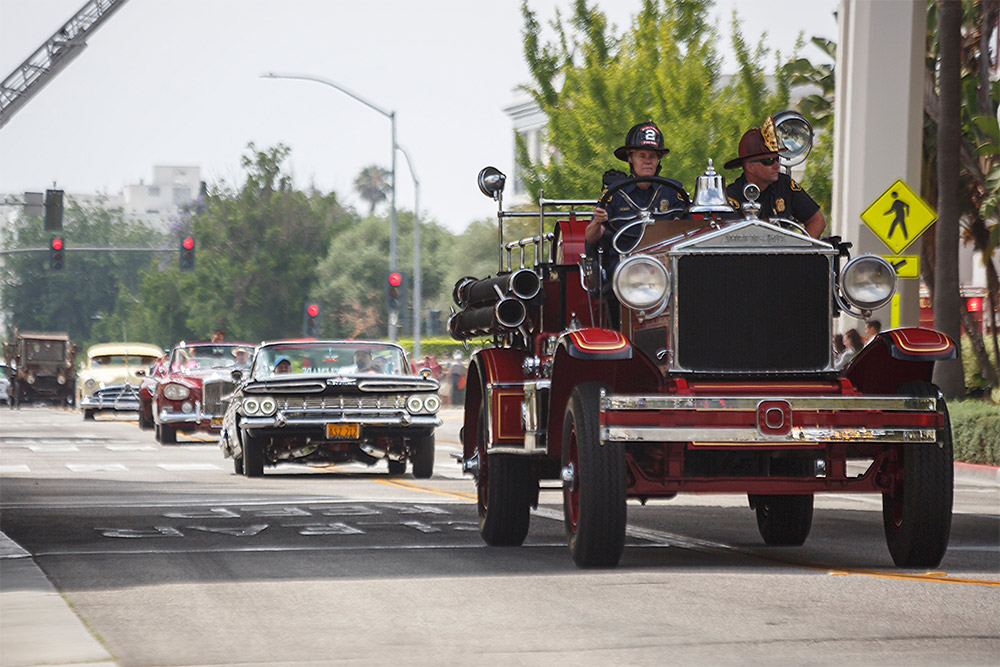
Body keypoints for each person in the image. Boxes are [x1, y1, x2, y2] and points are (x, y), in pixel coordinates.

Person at [586, 121, 687, 327]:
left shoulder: (673, 191)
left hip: (667, 262)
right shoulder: (614, 194)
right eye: (642, 156)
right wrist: (597, 222)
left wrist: (679, 225)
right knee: (624, 276)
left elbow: (688, 230)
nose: (648, 161)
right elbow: (590, 237)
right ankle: (622, 331)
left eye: (652, 156)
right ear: (630, 158)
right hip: (625, 261)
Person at [724, 117, 826, 239]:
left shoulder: (785, 185)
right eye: (769, 160)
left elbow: (817, 221)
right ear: (750, 167)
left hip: (782, 257)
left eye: (777, 159)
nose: (777, 165)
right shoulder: (730, 198)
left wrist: (798, 251)